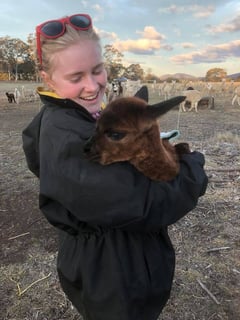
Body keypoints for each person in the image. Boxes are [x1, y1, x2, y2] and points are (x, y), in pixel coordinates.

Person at [22, 13, 208, 320]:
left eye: (97, 70)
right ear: (48, 78)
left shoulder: (80, 118)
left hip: (113, 259)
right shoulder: (70, 138)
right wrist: (193, 170)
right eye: (76, 77)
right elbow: (142, 203)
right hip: (115, 273)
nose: (92, 86)